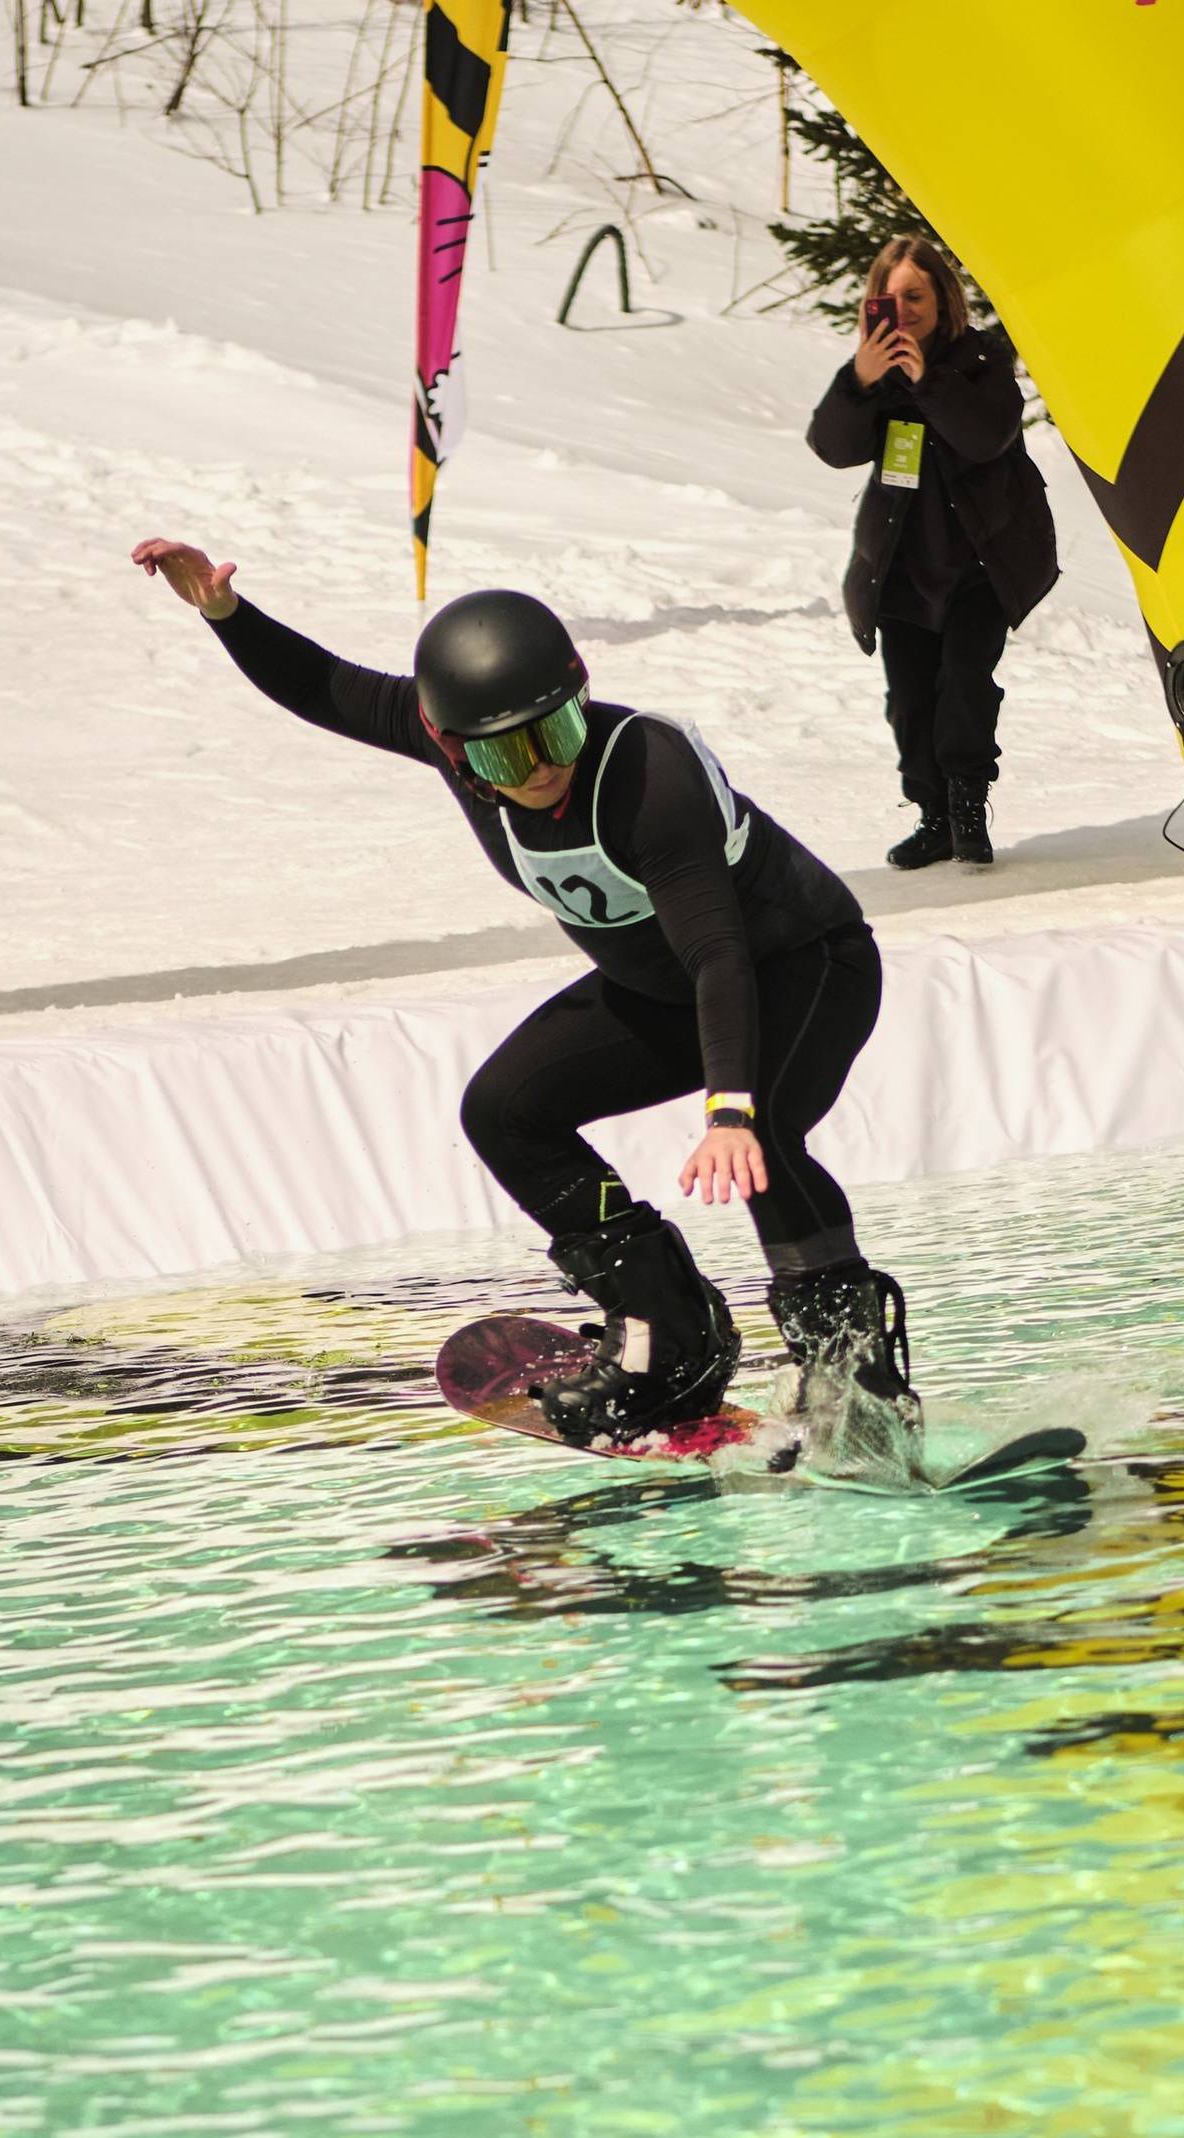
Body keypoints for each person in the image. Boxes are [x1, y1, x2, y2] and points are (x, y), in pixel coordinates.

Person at [130, 538, 918, 1458]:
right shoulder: (446, 740)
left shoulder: (649, 778)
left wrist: (730, 1108)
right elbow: (328, 688)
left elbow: (717, 953)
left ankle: (854, 1373)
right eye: (508, 755)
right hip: (662, 989)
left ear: (582, 699)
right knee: (506, 1113)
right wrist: (227, 615)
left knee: (767, 1140)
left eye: (558, 732)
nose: (543, 766)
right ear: (453, 749)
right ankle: (669, 1338)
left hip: (800, 968)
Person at [807, 233, 1058, 874]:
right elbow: (832, 449)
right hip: (901, 574)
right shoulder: (873, 379)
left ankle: (968, 805)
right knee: (910, 700)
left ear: (943, 300)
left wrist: (928, 379)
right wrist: (859, 380)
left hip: (980, 566)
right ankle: (934, 817)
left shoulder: (981, 363)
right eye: (889, 298)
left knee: (965, 684)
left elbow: (984, 437)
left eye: (915, 295)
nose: (904, 309)